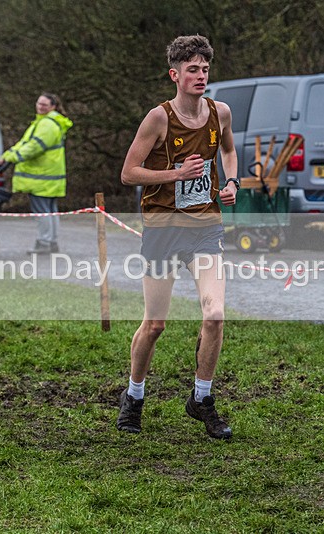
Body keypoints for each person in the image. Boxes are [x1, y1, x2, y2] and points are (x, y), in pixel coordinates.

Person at [116, 35, 239, 439]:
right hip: (163, 231)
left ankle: (202, 398)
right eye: (192, 70)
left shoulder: (220, 112)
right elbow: (129, 173)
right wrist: (175, 175)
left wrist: (232, 181)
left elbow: (230, 152)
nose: (200, 75)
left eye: (205, 69)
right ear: (175, 75)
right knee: (155, 325)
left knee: (215, 313)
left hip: (205, 228)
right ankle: (133, 396)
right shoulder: (158, 118)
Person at [0, 92, 73, 254]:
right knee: (50, 211)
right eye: (38, 103)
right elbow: (25, 143)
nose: (40, 107)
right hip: (49, 176)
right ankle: (51, 242)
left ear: (53, 106)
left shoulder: (47, 125)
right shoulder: (47, 123)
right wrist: (9, 154)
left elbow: (33, 148)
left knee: (42, 212)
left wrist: (10, 157)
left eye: (44, 105)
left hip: (42, 177)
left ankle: (45, 242)